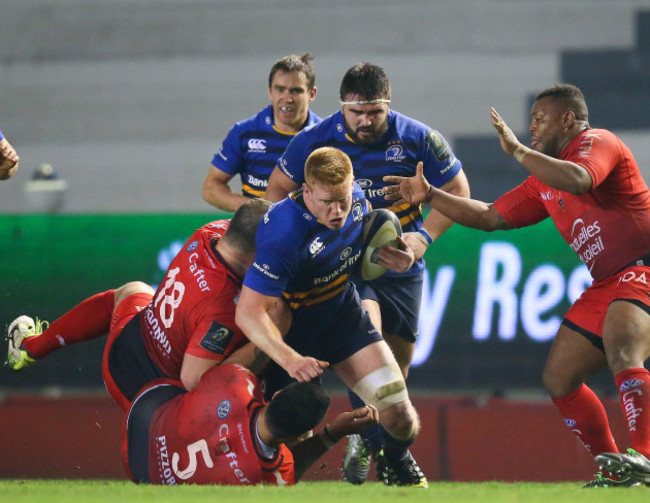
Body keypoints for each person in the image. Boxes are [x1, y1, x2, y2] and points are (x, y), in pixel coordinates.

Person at [383, 83, 650, 488]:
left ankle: (645, 457)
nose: (531, 128)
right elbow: (492, 216)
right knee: (559, 378)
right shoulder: (544, 182)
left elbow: (580, 180)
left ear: (568, 120)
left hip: (642, 267)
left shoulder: (598, 142)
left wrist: (520, 153)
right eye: (530, 122)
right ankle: (617, 471)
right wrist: (431, 195)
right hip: (607, 281)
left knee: (623, 347)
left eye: (540, 119)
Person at [264, 62, 470, 484]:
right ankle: (379, 444)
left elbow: (459, 192)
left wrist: (421, 240)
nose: (364, 121)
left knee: (398, 371)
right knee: (367, 328)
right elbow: (276, 191)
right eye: (355, 112)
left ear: (387, 105)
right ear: (342, 107)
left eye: (374, 112)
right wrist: (307, 235)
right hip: (344, 263)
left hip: (400, 262)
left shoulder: (417, 138)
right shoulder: (314, 140)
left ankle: (382, 448)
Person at [235, 146, 428, 487]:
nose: (338, 211)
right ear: (306, 191)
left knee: (402, 419)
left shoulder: (355, 198)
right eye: (327, 202)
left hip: (343, 319)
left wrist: (397, 256)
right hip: (292, 336)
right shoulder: (284, 233)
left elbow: (365, 238)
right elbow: (248, 313)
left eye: (343, 198)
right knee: (289, 453)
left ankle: (393, 462)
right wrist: (290, 359)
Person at [6, 199, 285, 411]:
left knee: (133, 290)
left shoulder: (209, 232)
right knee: (261, 334)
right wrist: (270, 341)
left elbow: (249, 226)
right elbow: (194, 381)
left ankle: (31, 347)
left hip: (127, 345)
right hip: (149, 396)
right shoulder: (223, 307)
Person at [123, 362, 379, 485]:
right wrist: (333, 433)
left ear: (276, 395)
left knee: (195, 377)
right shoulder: (275, 474)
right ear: (300, 435)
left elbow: (253, 350)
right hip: (147, 479)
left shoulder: (237, 381)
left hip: (141, 420)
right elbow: (287, 470)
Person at [202, 53, 321, 211]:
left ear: (311, 94)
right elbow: (211, 188)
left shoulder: (325, 136)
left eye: (295, 91)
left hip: (310, 232)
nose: (287, 98)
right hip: (256, 232)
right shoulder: (244, 133)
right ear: (270, 91)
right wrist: (255, 209)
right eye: (280, 89)